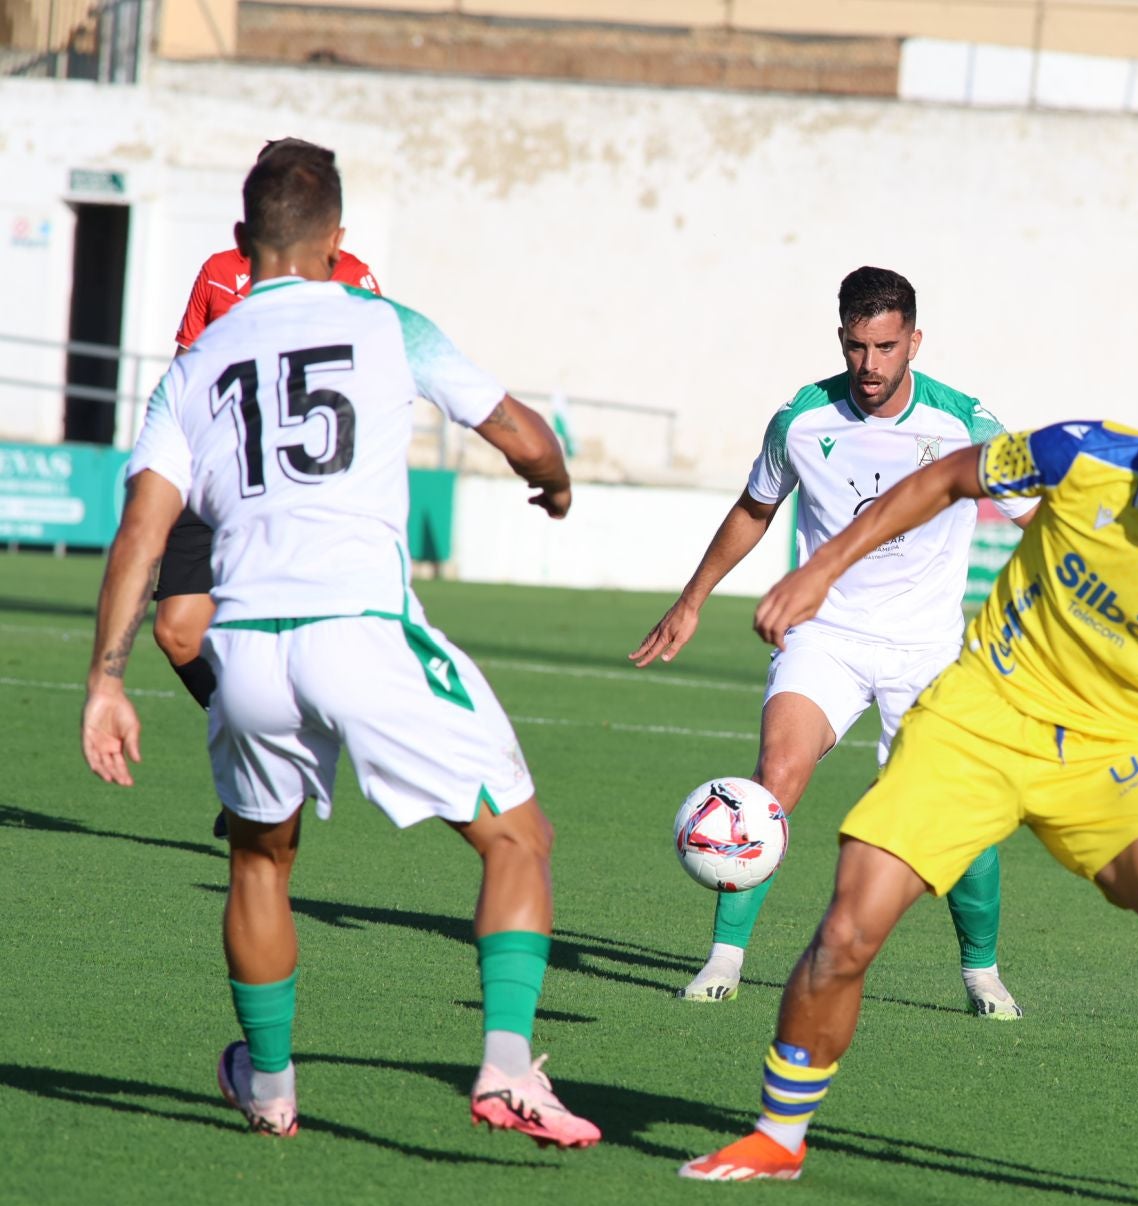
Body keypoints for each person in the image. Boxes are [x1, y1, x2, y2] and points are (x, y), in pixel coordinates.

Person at [678, 377, 1138, 1206]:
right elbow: (945, 479)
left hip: (1115, 763)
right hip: (976, 722)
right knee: (848, 932)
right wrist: (822, 568)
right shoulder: (1088, 453)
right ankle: (776, 1138)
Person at [80, 140, 598, 1148]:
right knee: (516, 838)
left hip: (247, 654)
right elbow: (522, 432)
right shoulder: (385, 323)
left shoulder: (193, 364)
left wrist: (107, 679)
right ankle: (505, 1067)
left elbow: (142, 526)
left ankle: (269, 1085)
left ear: (242, 242)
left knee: (260, 861)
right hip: (363, 634)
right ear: (338, 243)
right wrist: (556, 482)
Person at [631, 266, 1037, 1015]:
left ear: (914, 340)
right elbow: (755, 508)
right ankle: (723, 959)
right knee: (775, 776)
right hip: (827, 635)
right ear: (841, 338)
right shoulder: (803, 419)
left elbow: (1038, 521)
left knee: (958, 810)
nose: (871, 367)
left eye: (886, 347)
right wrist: (693, 599)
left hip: (926, 650)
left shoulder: (964, 426)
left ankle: (981, 972)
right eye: (857, 347)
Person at [156, 137, 384, 840]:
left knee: (306, 650)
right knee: (177, 632)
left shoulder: (354, 277)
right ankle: (264, 756)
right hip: (210, 474)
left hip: (298, 491)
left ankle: (265, 780)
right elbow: (188, 367)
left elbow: (378, 374)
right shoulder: (222, 274)